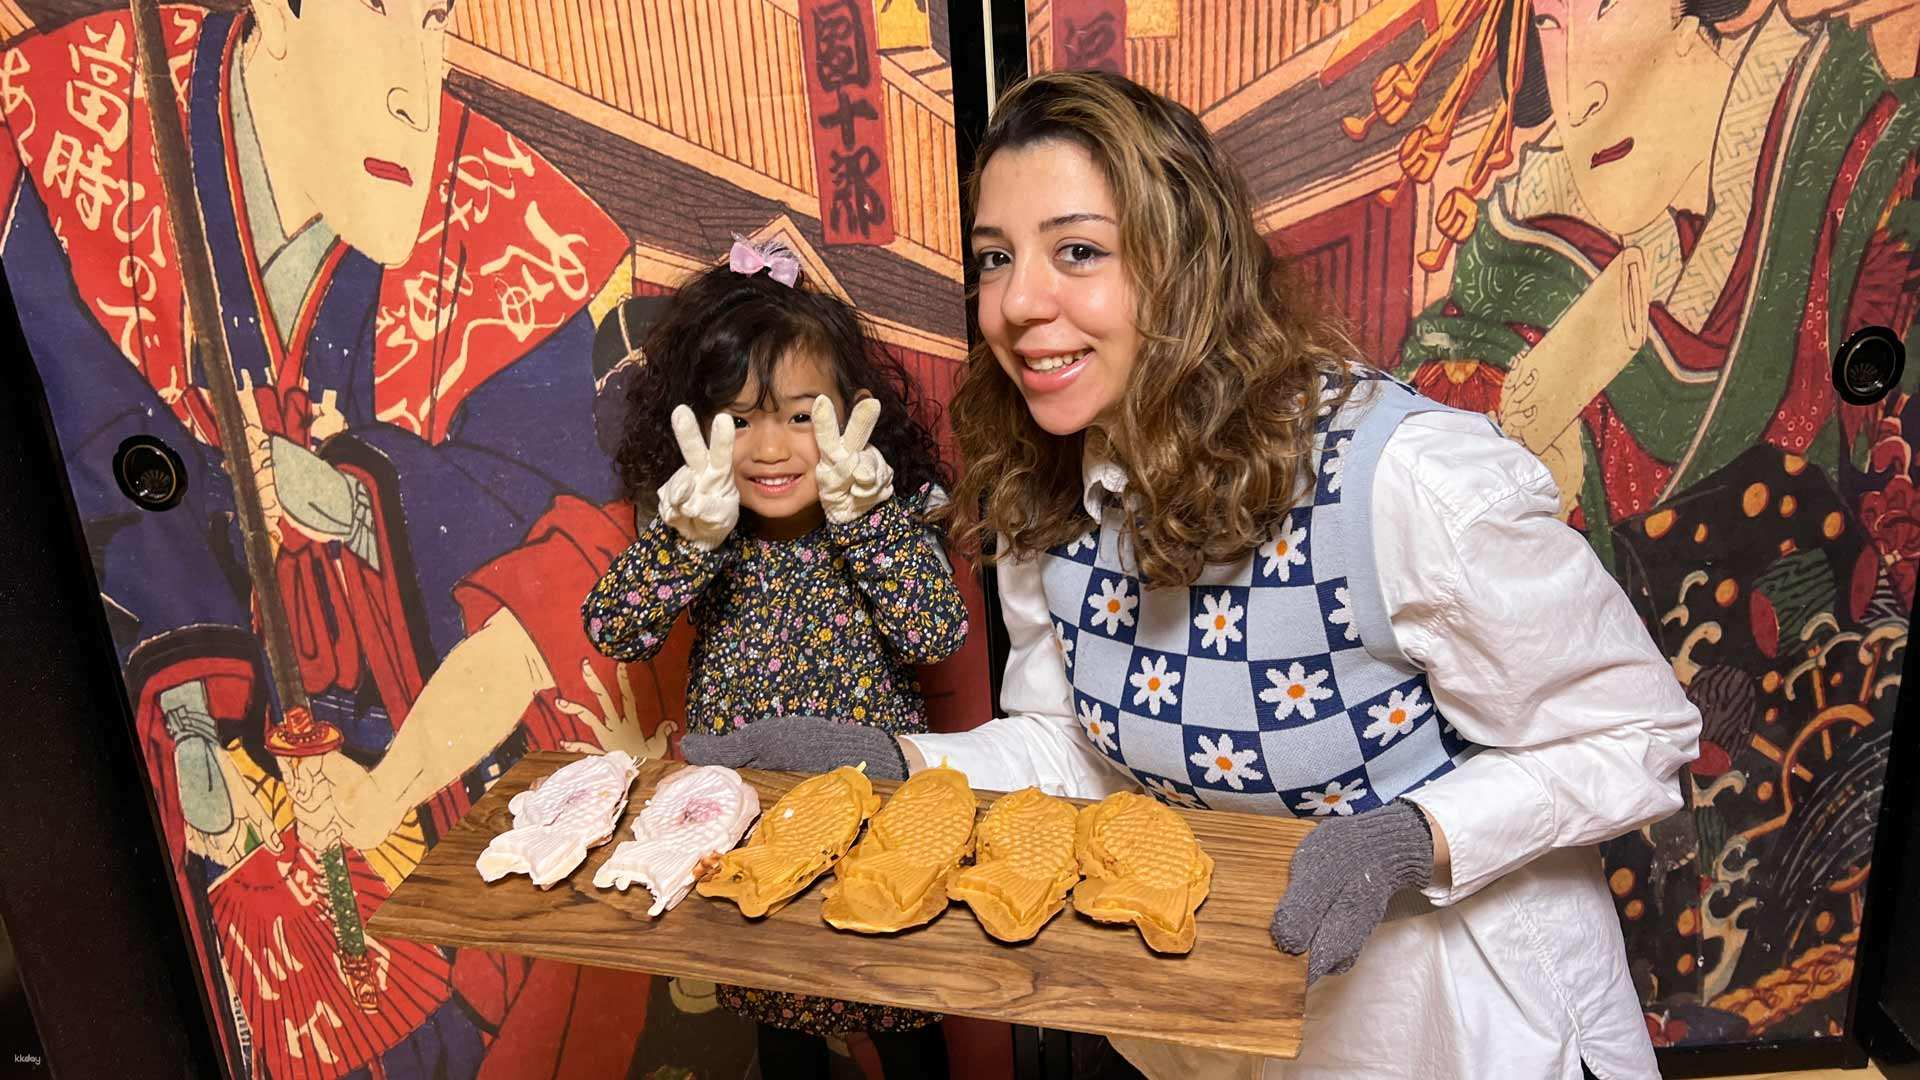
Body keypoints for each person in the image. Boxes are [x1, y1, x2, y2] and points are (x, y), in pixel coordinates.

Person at [684, 71, 1703, 1079]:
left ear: (1188, 266)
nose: (1016, 302)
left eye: (1077, 250)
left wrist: (1413, 839)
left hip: (1449, 1018)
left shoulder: (1409, 481)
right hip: (1210, 1014)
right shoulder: (1052, 480)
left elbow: (1639, 734)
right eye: (995, 258)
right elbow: (1075, 754)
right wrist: (895, 766)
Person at [582, 242, 967, 1079]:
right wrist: (684, 543)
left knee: (901, 1015)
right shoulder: (699, 526)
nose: (771, 447)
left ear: (849, 415)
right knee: (779, 1020)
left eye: (800, 415)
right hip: (750, 821)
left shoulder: (878, 517)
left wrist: (869, 524)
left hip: (876, 818)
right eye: (741, 418)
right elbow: (613, 629)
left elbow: (937, 637)